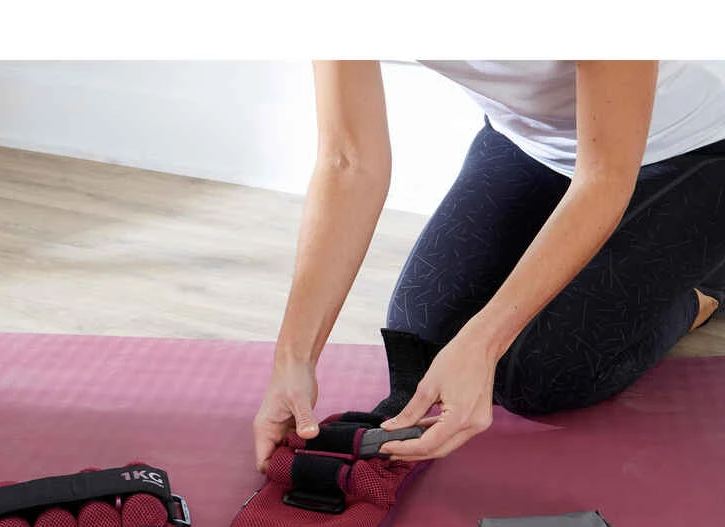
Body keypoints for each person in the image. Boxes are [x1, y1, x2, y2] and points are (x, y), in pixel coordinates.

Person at [253, 60, 725, 472]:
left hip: (687, 149)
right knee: (421, 341)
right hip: (530, 144)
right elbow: (348, 162)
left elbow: (603, 178)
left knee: (536, 376)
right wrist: (293, 360)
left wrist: (484, 342)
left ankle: (705, 290)